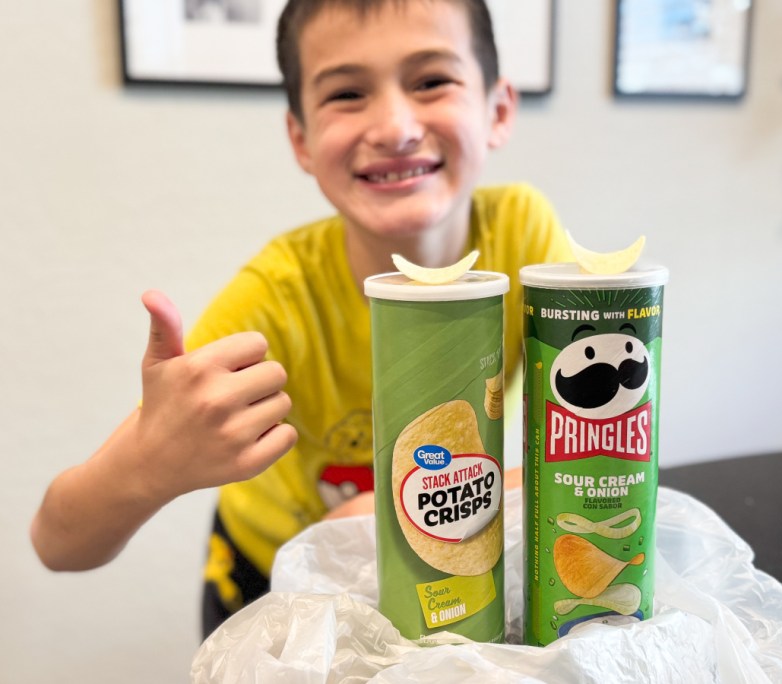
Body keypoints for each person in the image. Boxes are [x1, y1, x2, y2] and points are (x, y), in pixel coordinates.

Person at [30, 0, 571, 638]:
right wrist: (149, 463)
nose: (395, 126)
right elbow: (58, 545)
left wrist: (402, 510)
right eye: (347, 93)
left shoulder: (523, 235)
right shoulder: (276, 300)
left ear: (498, 111)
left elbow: (572, 436)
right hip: (274, 580)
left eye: (431, 81)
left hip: (446, 567)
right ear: (301, 139)